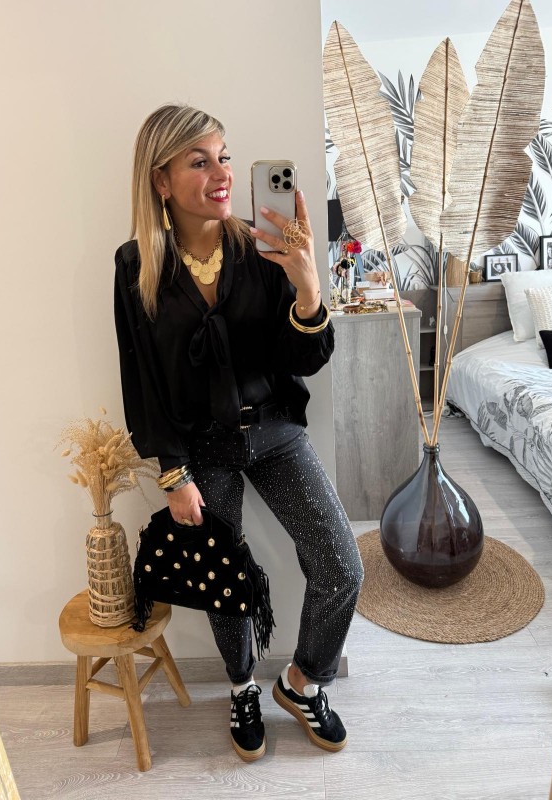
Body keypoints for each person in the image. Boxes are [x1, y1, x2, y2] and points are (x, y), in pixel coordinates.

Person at [113, 104, 364, 762]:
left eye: (224, 157)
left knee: (341, 563)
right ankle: (241, 686)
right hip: (202, 449)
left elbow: (304, 357)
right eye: (200, 161)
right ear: (161, 180)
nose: (222, 174)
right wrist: (173, 474)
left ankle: (303, 682)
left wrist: (308, 288)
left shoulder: (261, 247)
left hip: (275, 431)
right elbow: (142, 382)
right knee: (224, 580)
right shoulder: (136, 265)